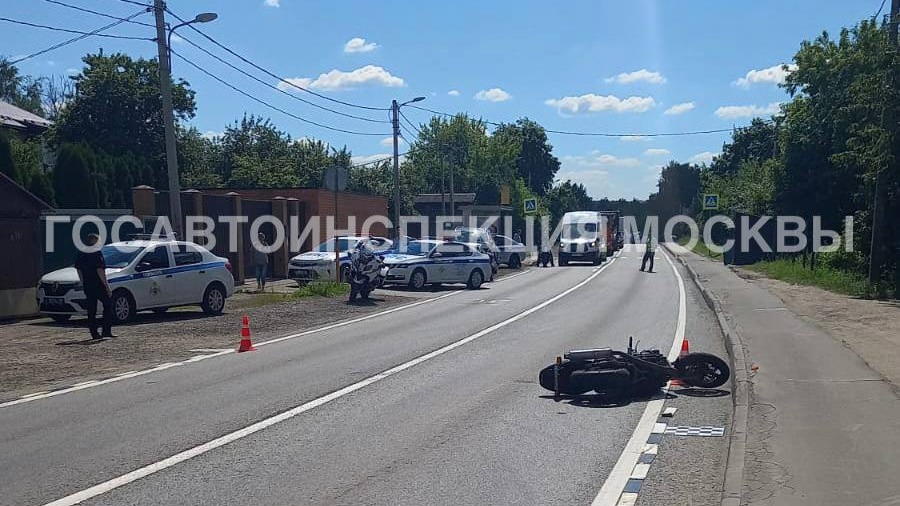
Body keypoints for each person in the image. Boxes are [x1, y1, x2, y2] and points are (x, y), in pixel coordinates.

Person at [74, 234, 113, 339]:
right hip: (98, 284)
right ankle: (106, 330)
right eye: (99, 241)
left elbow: (78, 269)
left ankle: (94, 333)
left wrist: (82, 281)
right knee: (108, 305)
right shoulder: (96, 253)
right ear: (94, 242)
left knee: (91, 310)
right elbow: (100, 270)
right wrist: (107, 286)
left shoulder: (82, 253)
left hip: (88, 284)